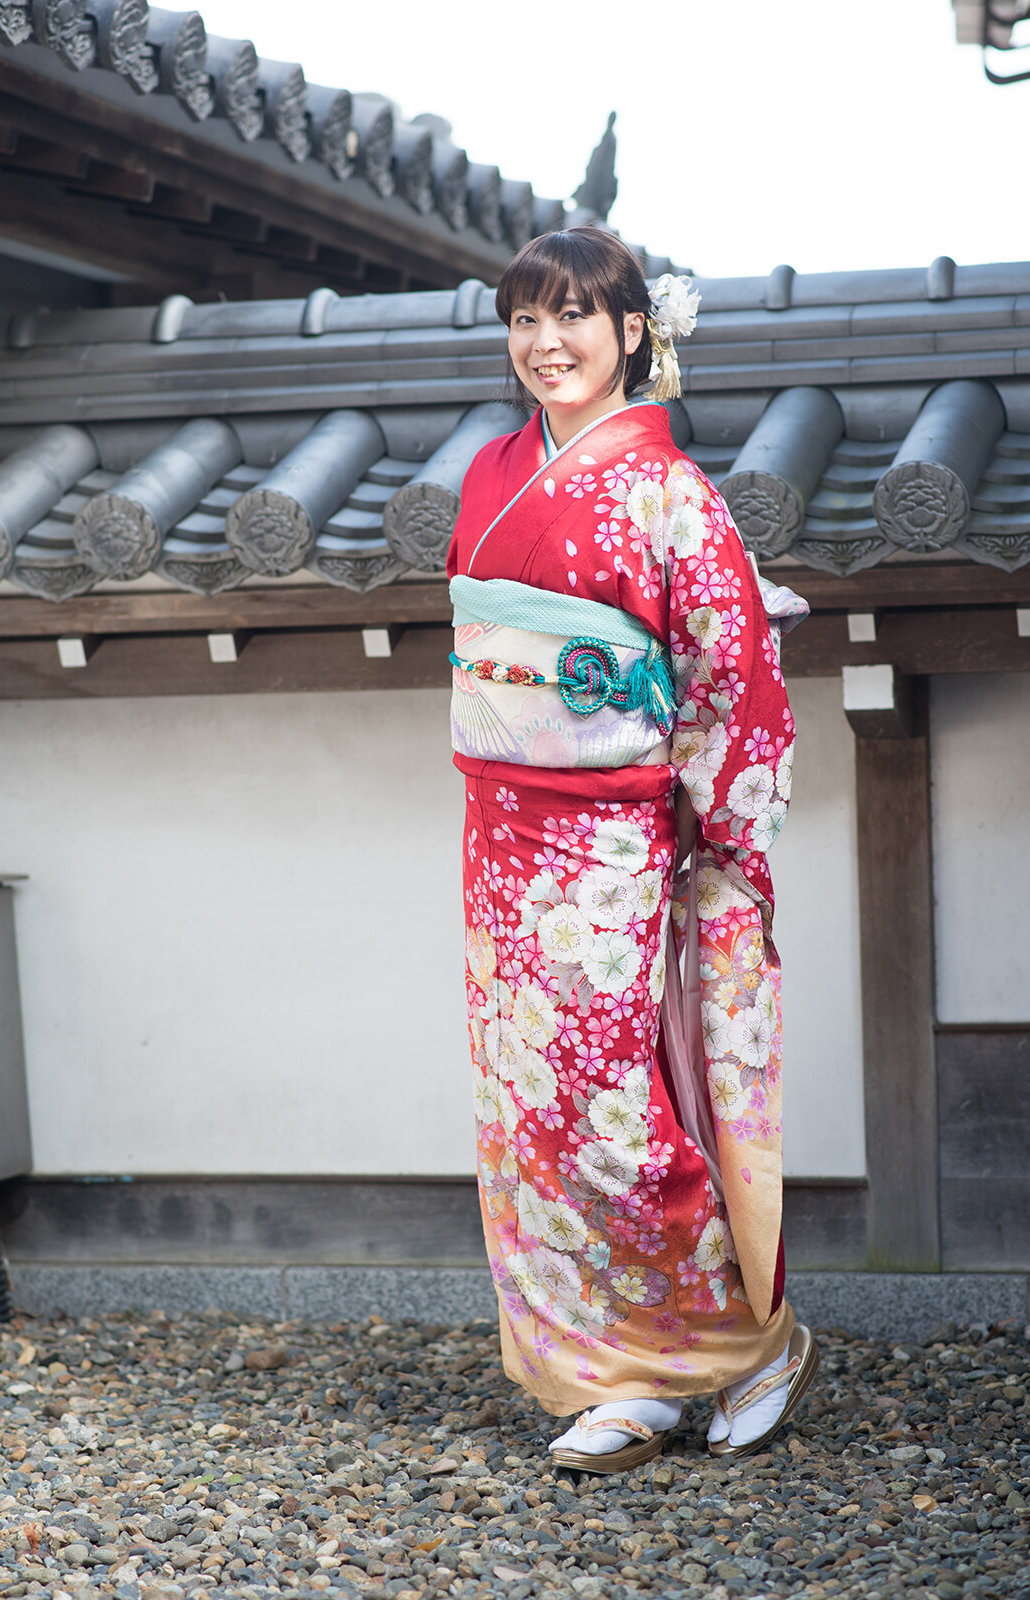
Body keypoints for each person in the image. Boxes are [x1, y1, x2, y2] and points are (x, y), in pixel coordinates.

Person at [445, 227, 815, 1472]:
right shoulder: (492, 471)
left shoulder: (670, 494)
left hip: (610, 835)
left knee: (609, 1106)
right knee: (528, 1108)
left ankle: (750, 1343)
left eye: (572, 318)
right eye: (525, 320)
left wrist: (722, 840)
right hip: (501, 825)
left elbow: (729, 678)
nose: (545, 344)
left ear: (631, 331)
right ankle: (624, 1374)